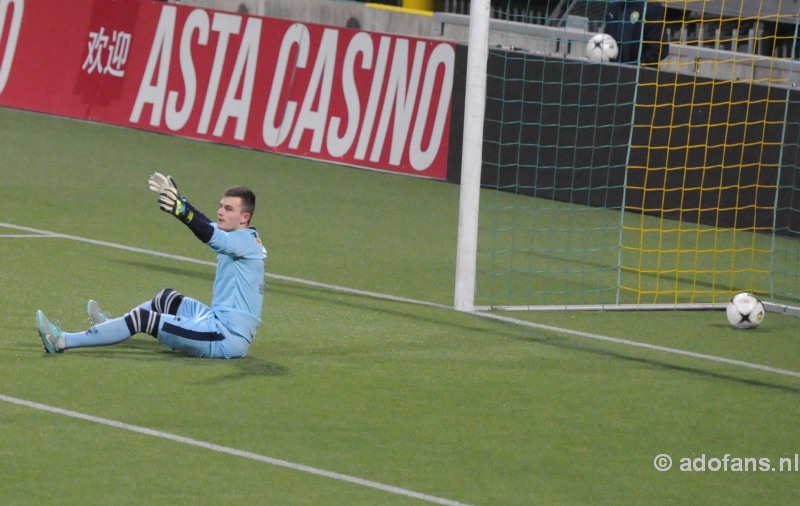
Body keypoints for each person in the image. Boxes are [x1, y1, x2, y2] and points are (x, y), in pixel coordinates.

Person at [35, 173, 267, 359]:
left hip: (224, 338)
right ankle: (110, 326)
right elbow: (208, 224)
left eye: (228, 209)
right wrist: (181, 200)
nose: (220, 211)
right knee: (166, 299)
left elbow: (210, 235)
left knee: (142, 319)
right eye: (221, 206)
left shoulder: (243, 241)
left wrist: (181, 211)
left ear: (244, 217)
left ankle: (62, 341)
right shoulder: (243, 237)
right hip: (217, 320)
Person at [604, 0, 670, 65]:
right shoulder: (613, 6)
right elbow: (608, 40)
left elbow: (660, 48)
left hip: (641, 72)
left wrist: (638, 65)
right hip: (613, 70)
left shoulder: (651, 7)